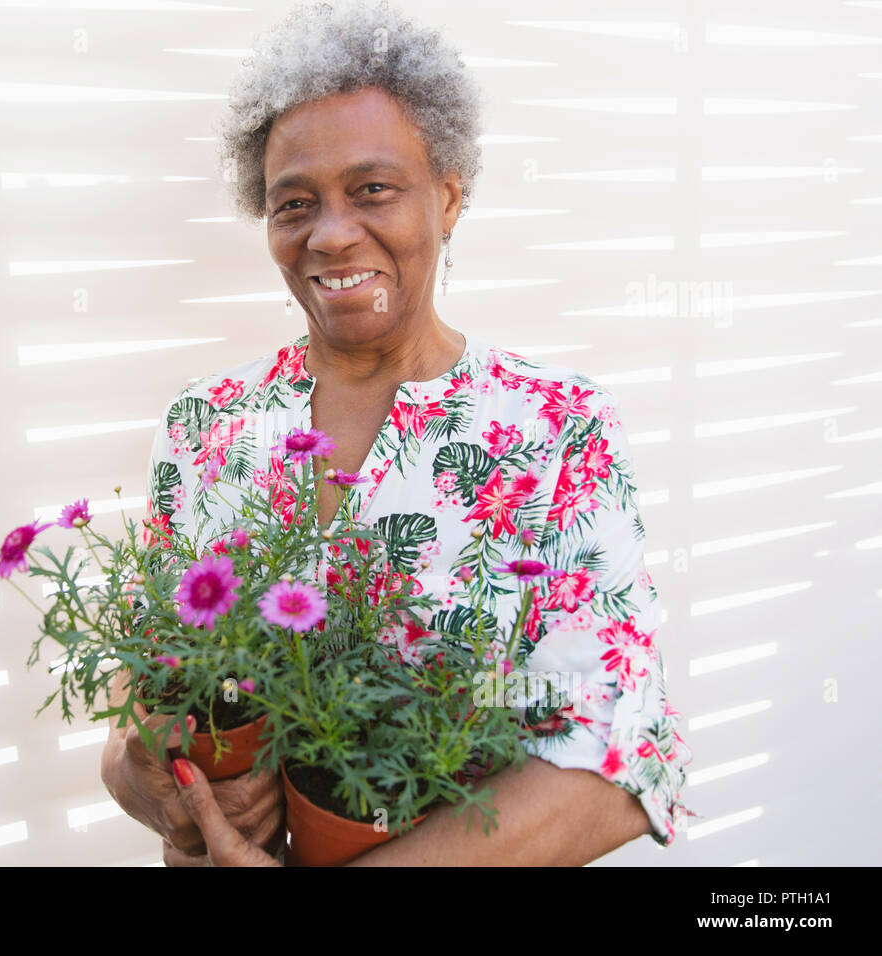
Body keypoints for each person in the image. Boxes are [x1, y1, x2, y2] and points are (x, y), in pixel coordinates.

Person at [100, 0, 694, 866]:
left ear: (448, 198)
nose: (332, 234)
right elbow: (145, 668)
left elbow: (620, 758)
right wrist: (138, 773)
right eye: (293, 202)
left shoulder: (556, 429)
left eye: (372, 189)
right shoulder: (206, 424)